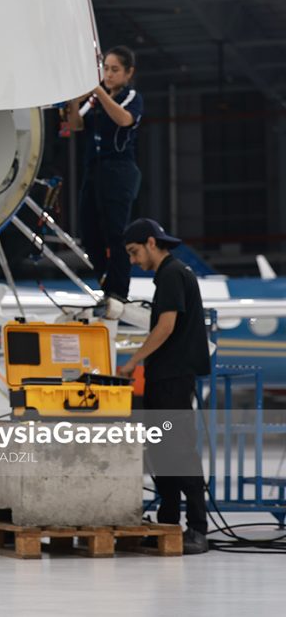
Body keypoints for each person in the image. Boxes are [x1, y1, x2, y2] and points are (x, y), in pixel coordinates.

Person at [117, 218, 210, 555]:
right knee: (161, 451)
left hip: (172, 379)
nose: (133, 260)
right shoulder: (170, 275)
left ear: (152, 243)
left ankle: (198, 528)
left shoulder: (172, 274)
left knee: (178, 449)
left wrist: (132, 362)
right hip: (164, 379)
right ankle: (169, 523)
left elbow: (166, 327)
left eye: (134, 252)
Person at [66, 46, 144, 300]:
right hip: (94, 169)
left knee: (116, 232)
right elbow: (75, 125)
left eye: (114, 70)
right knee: (88, 229)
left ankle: (119, 291)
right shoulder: (94, 101)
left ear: (128, 72)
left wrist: (99, 91)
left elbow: (124, 119)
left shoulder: (131, 97)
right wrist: (75, 100)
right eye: (105, 69)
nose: (108, 75)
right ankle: (104, 279)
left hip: (119, 169)